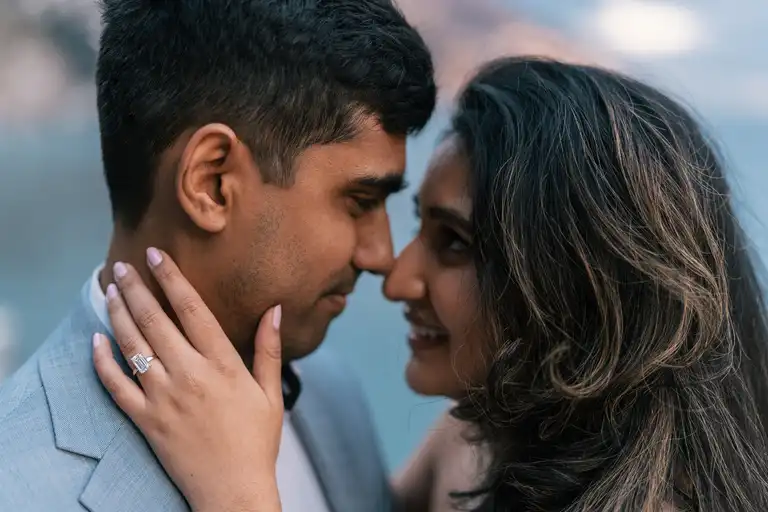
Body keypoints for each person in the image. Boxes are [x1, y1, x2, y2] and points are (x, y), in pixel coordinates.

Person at [95, 57, 768, 512]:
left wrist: (239, 491)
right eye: (416, 225)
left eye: (454, 244)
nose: (397, 277)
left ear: (573, 287)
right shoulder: (475, 439)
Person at [0, 0, 435, 510]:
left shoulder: (331, 393)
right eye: (360, 201)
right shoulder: (24, 486)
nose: (382, 256)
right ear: (212, 183)